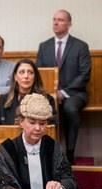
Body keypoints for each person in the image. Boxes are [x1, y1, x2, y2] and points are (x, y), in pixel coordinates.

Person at [0, 93, 82, 189]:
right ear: (21, 121)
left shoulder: (53, 147)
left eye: (42, 123)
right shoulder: (7, 150)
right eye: (32, 122)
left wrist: (60, 188)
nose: (38, 128)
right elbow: (1, 185)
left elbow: (69, 179)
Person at [36, 10, 91, 164]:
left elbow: (84, 75)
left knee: (70, 109)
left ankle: (70, 152)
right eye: (54, 19)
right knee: (41, 110)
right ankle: (49, 153)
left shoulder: (80, 46)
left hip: (75, 93)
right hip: (49, 93)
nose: (55, 22)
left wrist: (64, 92)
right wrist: (51, 93)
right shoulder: (44, 46)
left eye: (60, 20)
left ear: (69, 24)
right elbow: (38, 73)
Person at [0, 59, 58, 125]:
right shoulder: (3, 100)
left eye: (30, 72)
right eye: (22, 72)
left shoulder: (47, 100)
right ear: (15, 77)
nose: (26, 76)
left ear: (35, 77)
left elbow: (52, 126)